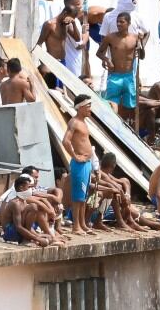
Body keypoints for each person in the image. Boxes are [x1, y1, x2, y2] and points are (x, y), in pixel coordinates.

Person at [96, 13, 140, 124]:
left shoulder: (135, 38)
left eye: (122, 22)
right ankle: (111, 125)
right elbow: (99, 53)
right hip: (114, 75)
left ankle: (125, 126)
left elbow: (142, 56)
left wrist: (141, 45)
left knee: (129, 106)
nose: (118, 24)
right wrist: (107, 60)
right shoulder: (110, 37)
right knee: (111, 103)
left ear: (128, 23)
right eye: (117, 22)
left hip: (129, 76)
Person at [62, 95, 95, 235]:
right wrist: (75, 156)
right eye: (88, 106)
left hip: (87, 163)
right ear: (80, 107)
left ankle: (82, 223)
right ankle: (76, 226)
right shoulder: (74, 122)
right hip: (79, 164)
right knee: (78, 197)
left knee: (84, 196)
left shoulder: (84, 122)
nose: (90, 109)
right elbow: (66, 141)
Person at [0, 176, 57, 246]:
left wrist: (38, 236)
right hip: (10, 233)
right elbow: (19, 227)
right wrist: (37, 238)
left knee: (49, 238)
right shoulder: (15, 203)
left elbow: (27, 226)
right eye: (29, 187)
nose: (31, 189)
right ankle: (26, 239)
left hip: (19, 231)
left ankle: (29, 239)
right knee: (33, 207)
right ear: (21, 188)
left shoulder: (24, 201)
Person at [36, 3, 79, 70]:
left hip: (63, 62)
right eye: (70, 18)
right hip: (51, 62)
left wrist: (74, 23)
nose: (70, 21)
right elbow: (39, 43)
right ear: (65, 13)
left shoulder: (67, 25)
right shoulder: (49, 24)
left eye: (72, 20)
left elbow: (78, 39)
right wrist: (43, 63)